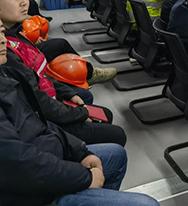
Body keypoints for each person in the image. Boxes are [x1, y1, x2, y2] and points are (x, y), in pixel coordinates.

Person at [0, 25, 159, 206]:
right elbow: (20, 164)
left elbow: (38, 122)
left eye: (2, 32)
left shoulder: (5, 73)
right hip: (28, 193)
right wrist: (85, 177)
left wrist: (79, 151)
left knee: (116, 155)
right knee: (147, 204)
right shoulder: (9, 68)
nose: (2, 40)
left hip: (41, 155)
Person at [2, 19, 127, 147]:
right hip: (45, 122)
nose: (3, 40)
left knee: (100, 111)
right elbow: (41, 104)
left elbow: (41, 75)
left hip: (49, 105)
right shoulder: (8, 58)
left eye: (2, 32)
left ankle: (88, 73)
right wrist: (79, 114)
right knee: (116, 134)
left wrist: (68, 93)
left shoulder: (17, 36)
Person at [0, 0, 116, 105]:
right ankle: (88, 74)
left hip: (40, 80)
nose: (24, 2)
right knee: (85, 96)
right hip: (40, 100)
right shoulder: (5, 49)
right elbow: (32, 96)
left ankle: (87, 72)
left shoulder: (13, 28)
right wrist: (78, 113)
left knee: (60, 45)